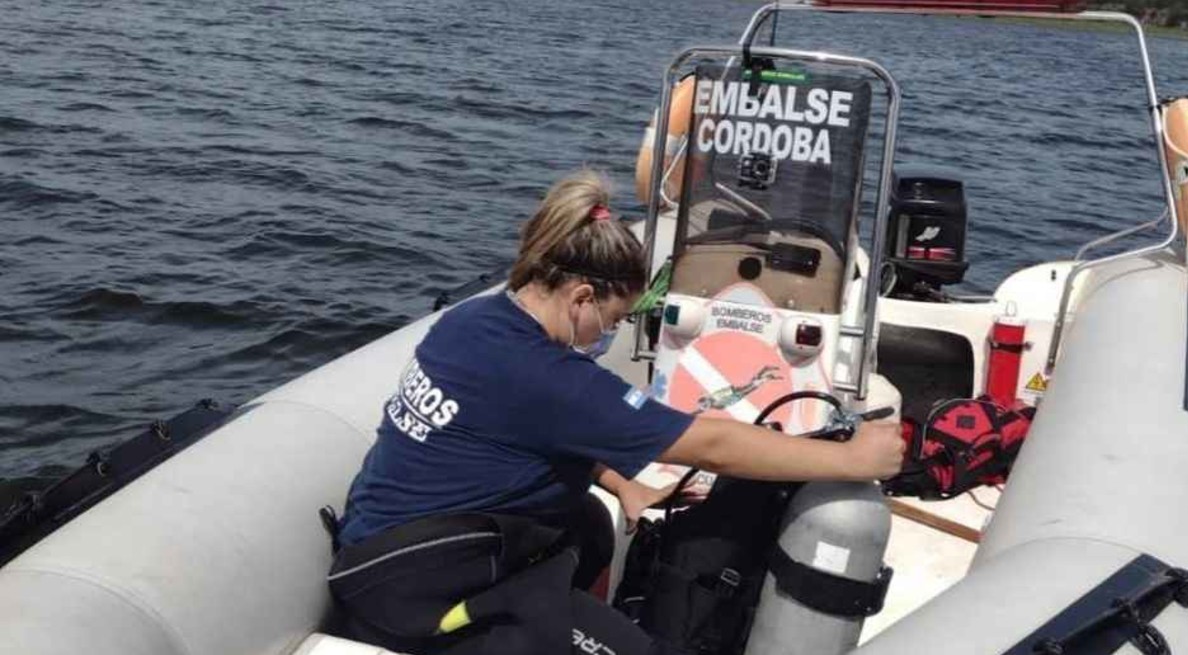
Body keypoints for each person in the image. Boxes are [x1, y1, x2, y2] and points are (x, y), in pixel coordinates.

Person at [326, 169, 904, 655]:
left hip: (380, 548)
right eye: (613, 319)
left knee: (593, 526)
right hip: (416, 592)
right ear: (581, 297)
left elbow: (508, 436)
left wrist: (617, 480)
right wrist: (853, 458)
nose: (611, 333)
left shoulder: (472, 323)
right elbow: (711, 444)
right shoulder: (552, 380)